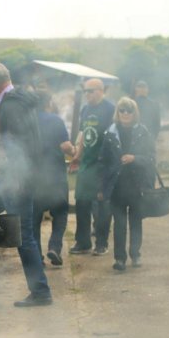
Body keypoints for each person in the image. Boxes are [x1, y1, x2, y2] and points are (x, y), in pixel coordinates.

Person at [0, 61, 52, 307]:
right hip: (12, 178)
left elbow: (21, 146)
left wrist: (15, 177)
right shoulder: (10, 101)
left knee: (23, 235)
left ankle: (41, 292)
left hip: (16, 180)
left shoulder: (11, 104)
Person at [97, 98, 155, 271]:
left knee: (136, 222)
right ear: (118, 112)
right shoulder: (110, 133)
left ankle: (135, 254)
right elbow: (102, 161)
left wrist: (135, 158)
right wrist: (101, 187)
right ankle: (119, 258)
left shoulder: (143, 132)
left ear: (134, 112)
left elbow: (151, 158)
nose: (125, 114)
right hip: (116, 187)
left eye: (129, 110)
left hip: (137, 186)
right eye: (122, 110)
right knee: (119, 224)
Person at [71, 78, 115, 256]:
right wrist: (77, 156)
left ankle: (101, 243)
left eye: (90, 91)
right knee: (81, 202)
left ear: (100, 91)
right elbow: (83, 135)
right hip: (86, 164)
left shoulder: (110, 109)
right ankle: (83, 242)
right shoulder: (85, 109)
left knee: (102, 204)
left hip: (103, 164)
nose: (87, 95)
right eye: (85, 91)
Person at [33, 90, 75, 267]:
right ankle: (54, 247)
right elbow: (66, 146)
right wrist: (74, 151)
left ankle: (37, 257)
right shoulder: (55, 120)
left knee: (35, 218)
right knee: (60, 213)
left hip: (34, 178)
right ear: (49, 103)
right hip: (55, 177)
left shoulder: (29, 122)